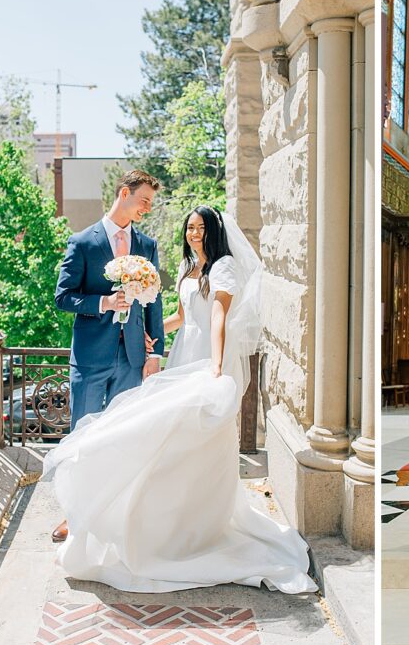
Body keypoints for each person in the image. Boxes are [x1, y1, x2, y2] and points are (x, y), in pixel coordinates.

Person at [42, 207, 316, 594]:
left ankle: (199, 524)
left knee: (198, 440)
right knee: (173, 440)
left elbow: (218, 317)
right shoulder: (189, 270)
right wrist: (152, 334)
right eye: (190, 228)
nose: (195, 234)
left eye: (202, 228)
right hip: (184, 354)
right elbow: (182, 317)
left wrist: (217, 367)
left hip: (207, 358)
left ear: (214, 231)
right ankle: (168, 518)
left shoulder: (221, 268)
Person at [51, 169, 166, 543]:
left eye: (151, 202)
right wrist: (101, 301)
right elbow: (63, 298)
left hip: (132, 356)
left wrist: (157, 352)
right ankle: (73, 513)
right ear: (124, 193)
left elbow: (155, 302)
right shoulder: (82, 242)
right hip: (90, 358)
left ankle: (116, 514)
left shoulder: (146, 245)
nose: (147, 207)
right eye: (144, 199)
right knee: (81, 438)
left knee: (122, 439)